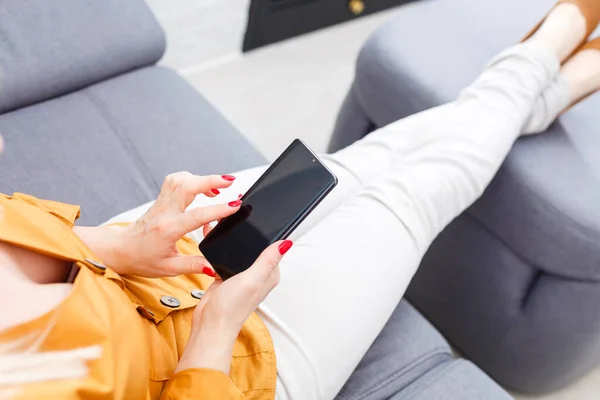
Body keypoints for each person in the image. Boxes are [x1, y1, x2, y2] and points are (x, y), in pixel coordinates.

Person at [1, 1, 599, 399]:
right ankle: (535, 66)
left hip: (120, 267)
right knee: (409, 196)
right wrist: (215, 328)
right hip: (223, 367)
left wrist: (119, 243)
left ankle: (532, 90)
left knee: (349, 169)